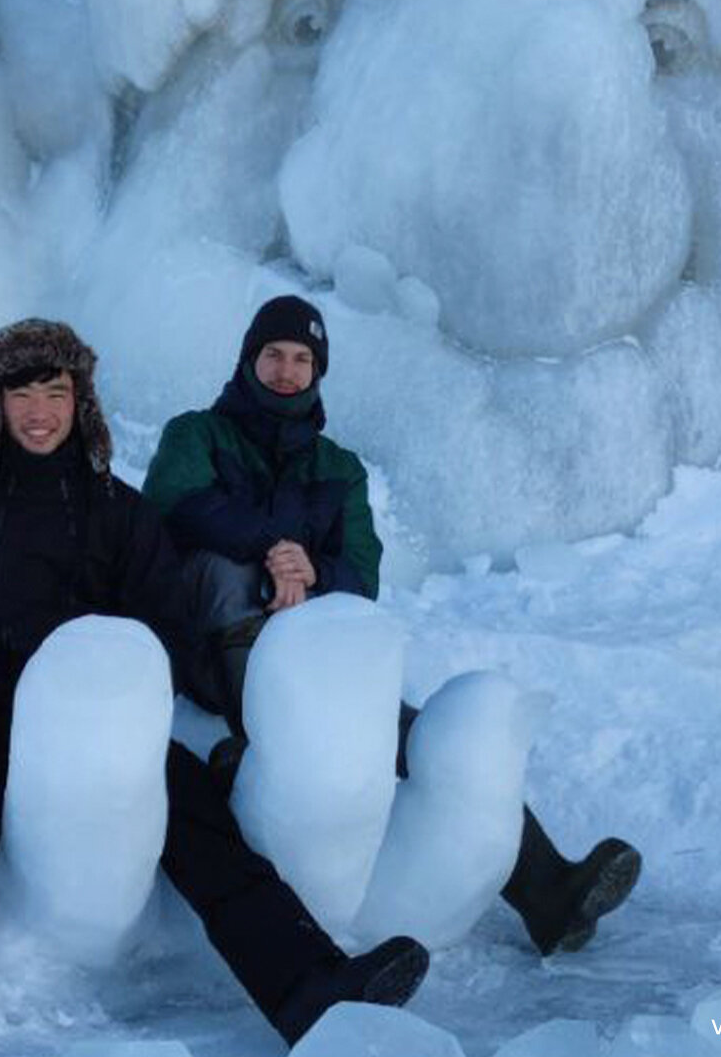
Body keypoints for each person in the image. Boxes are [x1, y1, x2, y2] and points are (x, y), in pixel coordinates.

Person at [0, 319, 428, 1046]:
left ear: (79, 400)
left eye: (55, 391)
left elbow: (173, 628)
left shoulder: (123, 513)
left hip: (116, 724)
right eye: (21, 392)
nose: (39, 411)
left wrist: (125, 709)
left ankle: (313, 990)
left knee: (210, 834)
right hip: (2, 714)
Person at [142, 295, 642, 957]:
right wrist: (274, 553)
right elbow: (173, 510)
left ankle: (549, 891)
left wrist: (310, 573)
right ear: (248, 360)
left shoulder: (337, 468)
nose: (287, 372)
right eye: (274, 356)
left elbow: (362, 573)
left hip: (308, 656)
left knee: (415, 735)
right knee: (226, 575)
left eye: (302, 360)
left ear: (318, 373)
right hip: (206, 649)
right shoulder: (196, 435)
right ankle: (257, 734)